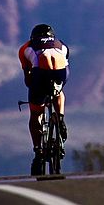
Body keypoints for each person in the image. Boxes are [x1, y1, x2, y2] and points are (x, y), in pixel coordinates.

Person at [18, 23, 70, 172]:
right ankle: (60, 119)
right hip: (61, 73)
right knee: (58, 92)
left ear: (33, 37)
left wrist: (35, 95)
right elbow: (65, 64)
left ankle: (38, 152)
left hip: (40, 73)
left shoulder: (25, 48)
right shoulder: (62, 44)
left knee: (35, 114)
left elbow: (27, 78)